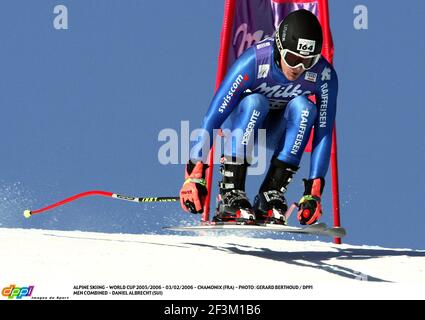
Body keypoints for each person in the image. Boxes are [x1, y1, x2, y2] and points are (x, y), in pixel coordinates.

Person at [179, 9, 338, 225]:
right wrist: (195, 171)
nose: (298, 69)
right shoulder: (254, 61)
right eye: (292, 59)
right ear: (279, 48)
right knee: (256, 102)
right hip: (244, 123)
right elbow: (214, 116)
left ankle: (270, 194)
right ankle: (231, 191)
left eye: (307, 62)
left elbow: (324, 132)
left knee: (305, 109)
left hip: (277, 132)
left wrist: (314, 190)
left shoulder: (324, 75)